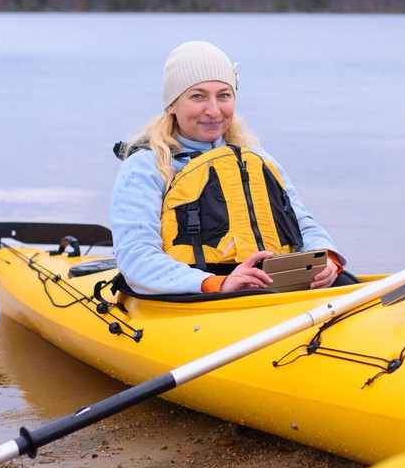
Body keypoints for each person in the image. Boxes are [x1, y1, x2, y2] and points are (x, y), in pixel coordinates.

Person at [111, 41, 345, 295]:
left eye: (224, 95)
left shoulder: (255, 157)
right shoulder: (145, 166)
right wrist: (218, 284)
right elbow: (137, 257)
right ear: (171, 104)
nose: (213, 111)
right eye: (198, 96)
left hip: (266, 290)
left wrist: (327, 260)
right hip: (194, 298)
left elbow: (304, 225)